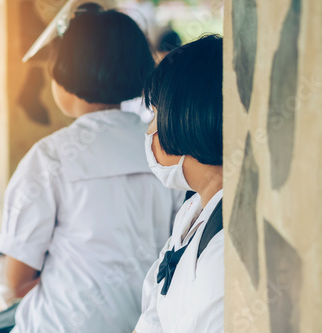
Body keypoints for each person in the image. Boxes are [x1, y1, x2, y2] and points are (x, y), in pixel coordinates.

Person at [0, 5, 184, 333]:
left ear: (64, 72)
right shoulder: (165, 151)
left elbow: (15, 281)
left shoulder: (49, 157)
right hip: (143, 322)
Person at [134, 34, 224, 333]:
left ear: (186, 117)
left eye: (156, 114)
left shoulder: (227, 243)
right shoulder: (193, 210)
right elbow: (152, 315)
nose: (150, 131)